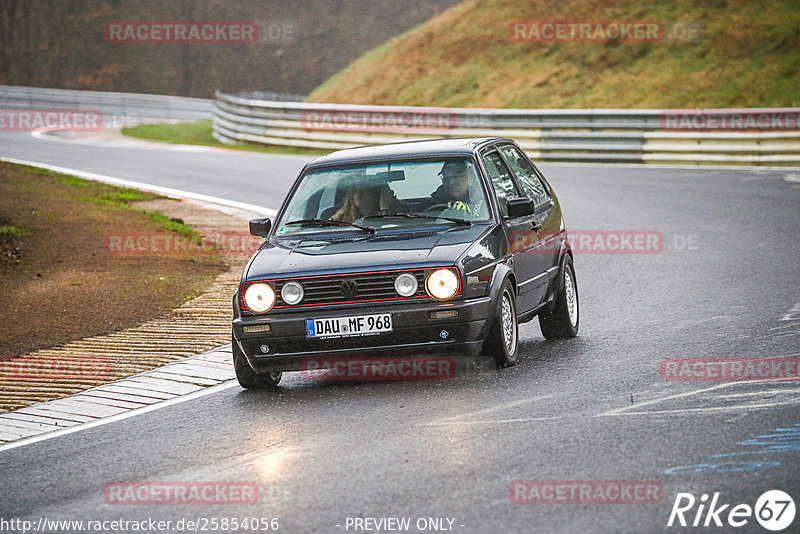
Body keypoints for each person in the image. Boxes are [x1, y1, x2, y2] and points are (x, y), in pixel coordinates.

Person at [331, 177, 401, 223]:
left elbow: (387, 232)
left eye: (364, 189)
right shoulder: (339, 220)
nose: (358, 193)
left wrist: (385, 208)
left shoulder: (400, 213)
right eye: (355, 190)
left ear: (376, 195)